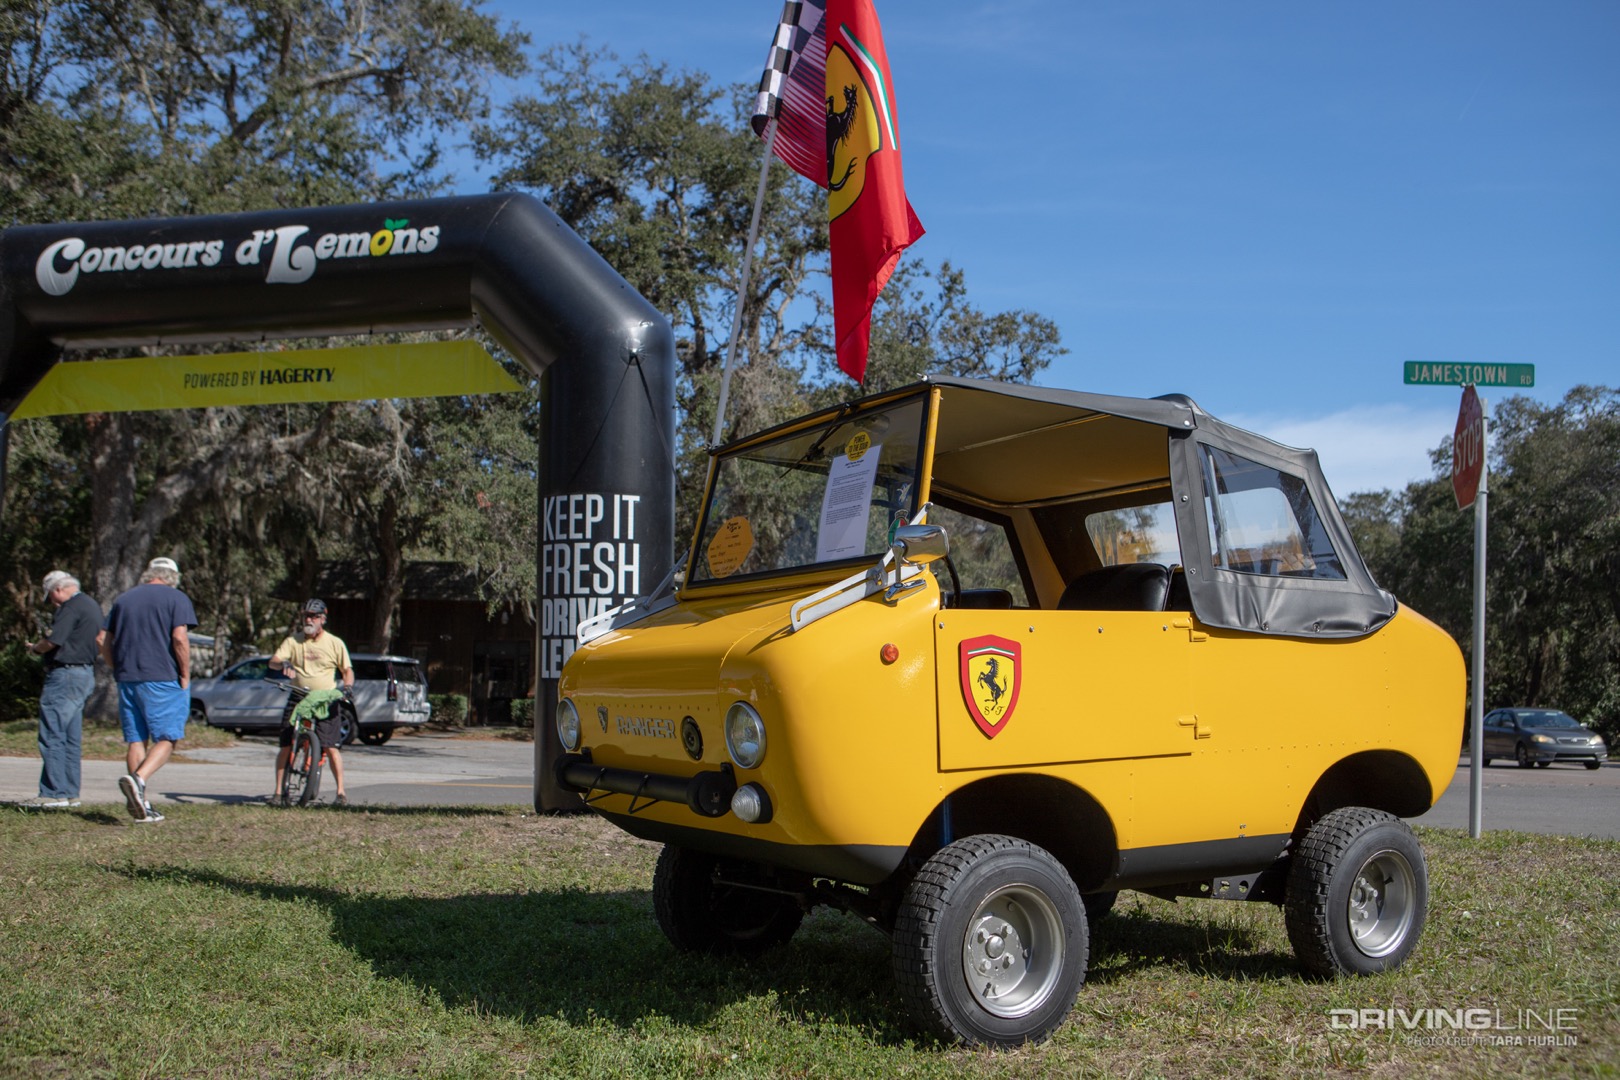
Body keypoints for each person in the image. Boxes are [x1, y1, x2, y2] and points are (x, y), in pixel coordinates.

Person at [100, 557, 197, 823]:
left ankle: (140, 805)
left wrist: (116, 667)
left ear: (149, 574)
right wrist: (185, 675)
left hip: (128, 677)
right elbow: (179, 637)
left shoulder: (123, 599)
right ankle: (139, 781)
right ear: (173, 577)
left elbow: (102, 639)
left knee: (136, 739)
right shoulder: (176, 598)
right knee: (167, 737)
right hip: (163, 677)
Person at [23, 571, 102, 808]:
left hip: (65, 675)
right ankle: (69, 791)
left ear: (58, 590)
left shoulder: (70, 607)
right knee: (70, 736)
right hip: (84, 673)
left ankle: (55, 793)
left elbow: (53, 641)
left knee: (53, 733)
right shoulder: (91, 604)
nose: (53, 603)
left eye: (51, 598)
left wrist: (35, 648)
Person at [270, 599, 353, 806]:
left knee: (331, 747)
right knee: (286, 744)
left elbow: (347, 670)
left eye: (314, 616)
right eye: (306, 615)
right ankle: (278, 792)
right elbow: (273, 661)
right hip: (299, 696)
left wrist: (348, 688)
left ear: (323, 619)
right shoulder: (293, 641)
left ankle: (341, 793)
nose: (309, 620)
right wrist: (283, 664)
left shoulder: (335, 643)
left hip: (325, 699)